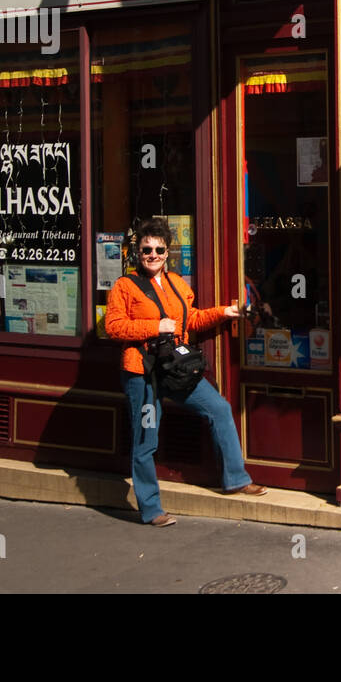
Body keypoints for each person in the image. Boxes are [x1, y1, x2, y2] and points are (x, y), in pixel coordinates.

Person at [104, 218, 268, 527]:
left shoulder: (178, 284)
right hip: (144, 374)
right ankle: (151, 510)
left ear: (167, 253)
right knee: (146, 440)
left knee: (219, 408)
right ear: (137, 253)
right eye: (146, 249)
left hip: (176, 369)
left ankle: (236, 479)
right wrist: (154, 327)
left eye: (158, 249)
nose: (152, 254)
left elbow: (189, 320)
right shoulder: (125, 286)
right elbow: (112, 326)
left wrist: (223, 313)